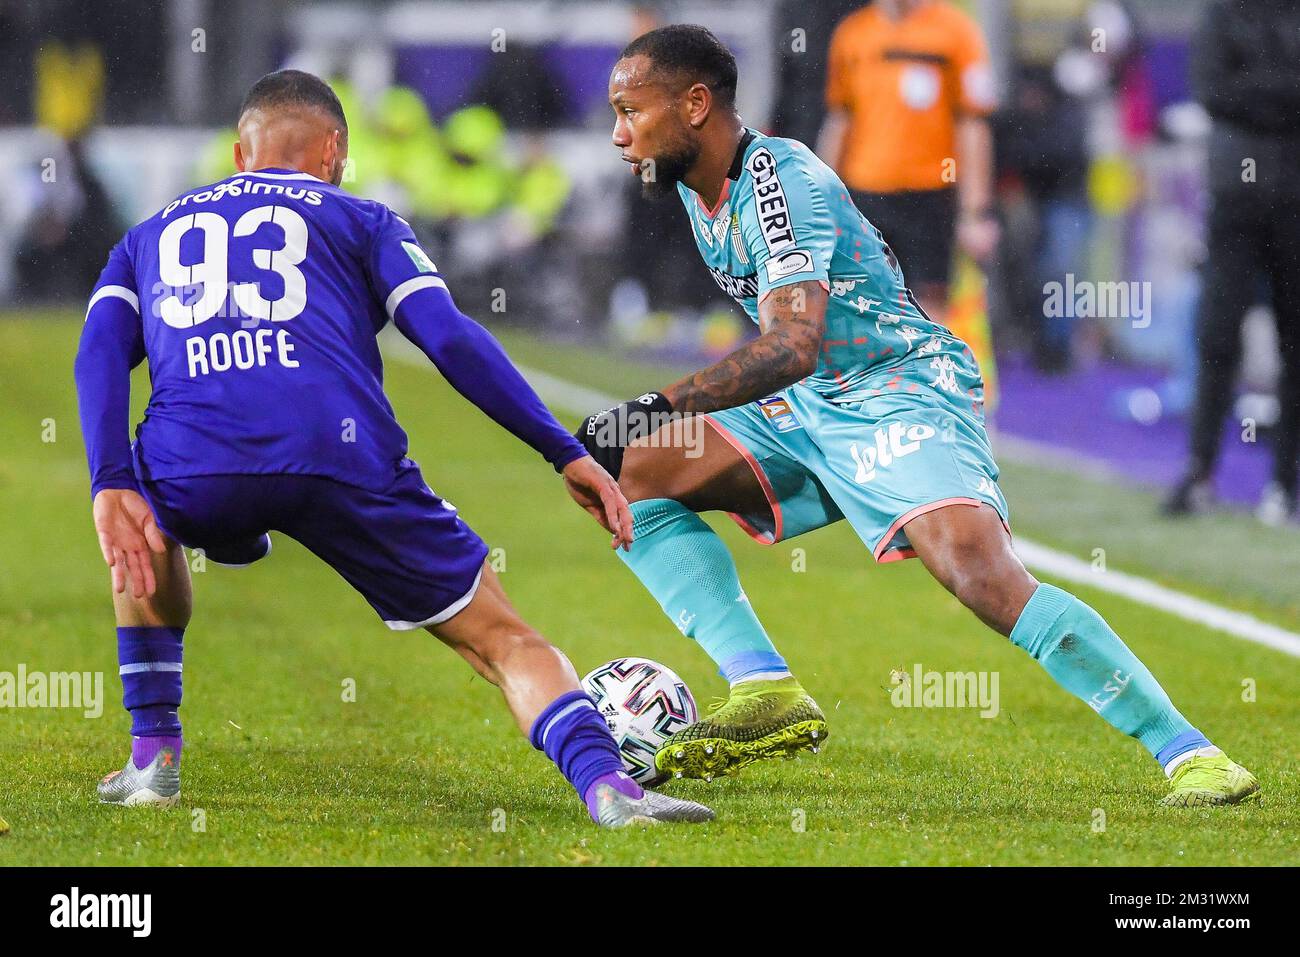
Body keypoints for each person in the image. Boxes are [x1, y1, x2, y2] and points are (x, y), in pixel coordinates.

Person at [572, 25, 1258, 808]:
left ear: (695, 105)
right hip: (810, 402)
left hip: (897, 385)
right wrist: (642, 429)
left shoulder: (774, 181)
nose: (620, 136)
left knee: (977, 571)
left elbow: (792, 345)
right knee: (622, 471)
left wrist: (655, 404)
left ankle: (1192, 753)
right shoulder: (701, 191)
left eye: (631, 112)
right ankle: (764, 689)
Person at [74, 69, 712, 829]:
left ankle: (154, 756)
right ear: (334, 151)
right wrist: (560, 449)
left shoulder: (148, 233)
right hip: (343, 455)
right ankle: (610, 786)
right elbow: (447, 337)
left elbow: (99, 353)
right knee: (503, 641)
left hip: (196, 456)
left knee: (140, 526)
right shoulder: (363, 217)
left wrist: (111, 480)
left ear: (241, 155)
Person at [1162, 0, 1300, 525]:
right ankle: (1200, 471)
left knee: (1295, 345)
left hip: (1294, 199)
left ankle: (1284, 483)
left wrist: (1255, 92)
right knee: (1217, 335)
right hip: (1235, 200)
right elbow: (1214, 91)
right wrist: (1281, 95)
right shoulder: (1223, 12)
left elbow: (1236, 93)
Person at [816, 0, 999, 326]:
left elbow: (973, 123)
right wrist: (818, 201)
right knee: (862, 304)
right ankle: (874, 378)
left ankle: (926, 376)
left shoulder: (956, 31)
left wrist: (975, 211)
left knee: (929, 307)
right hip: (864, 194)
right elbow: (840, 117)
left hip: (930, 192)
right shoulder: (853, 33)